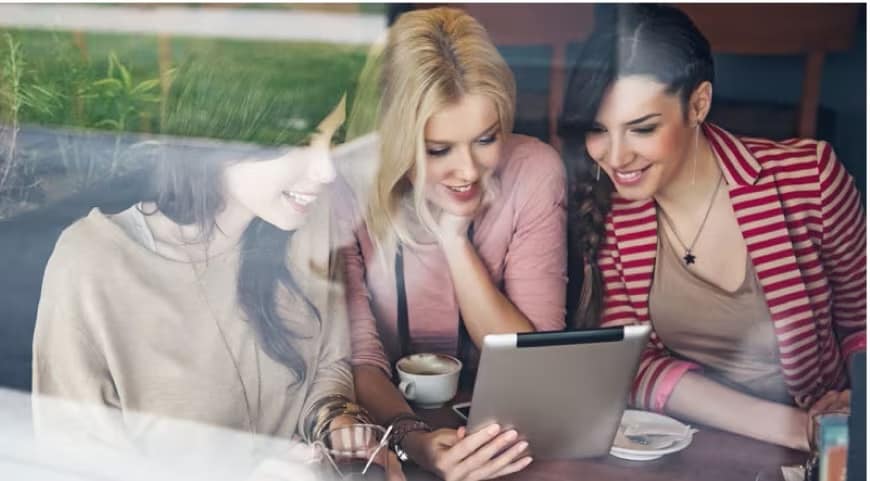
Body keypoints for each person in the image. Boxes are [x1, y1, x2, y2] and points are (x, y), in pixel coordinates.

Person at [559, 4, 865, 451]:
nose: (615, 156)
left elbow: (862, 324)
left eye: (641, 129)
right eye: (598, 130)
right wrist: (796, 428)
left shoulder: (809, 179)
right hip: (688, 446)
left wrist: (857, 403)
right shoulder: (612, 214)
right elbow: (631, 366)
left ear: (698, 104)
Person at [31, 58, 373, 450]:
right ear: (223, 136)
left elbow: (331, 365)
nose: (326, 170)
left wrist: (336, 422)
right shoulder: (91, 264)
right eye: (301, 142)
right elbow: (72, 462)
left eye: (335, 138)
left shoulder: (305, 220)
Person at [337, 7, 567, 481]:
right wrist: (413, 439)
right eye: (438, 149)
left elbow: (537, 363)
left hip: (506, 438)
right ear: (391, 139)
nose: (467, 170)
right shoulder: (344, 183)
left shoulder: (533, 171)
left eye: (485, 139)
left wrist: (454, 239)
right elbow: (359, 357)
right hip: (386, 434)